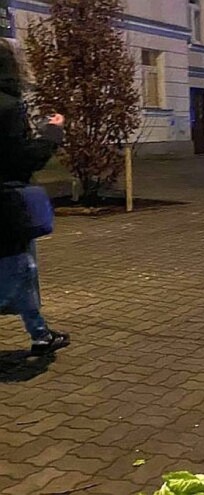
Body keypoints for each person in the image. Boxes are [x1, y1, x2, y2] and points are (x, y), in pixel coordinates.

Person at [0, 39, 69, 355]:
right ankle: (40, 334)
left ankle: (41, 333)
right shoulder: (8, 105)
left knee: (21, 271)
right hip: (6, 206)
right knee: (21, 270)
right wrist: (52, 134)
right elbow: (19, 158)